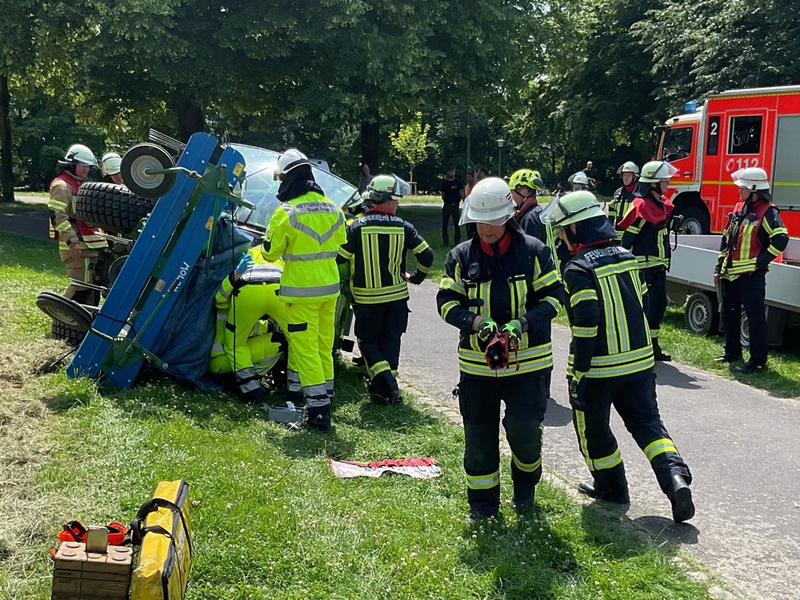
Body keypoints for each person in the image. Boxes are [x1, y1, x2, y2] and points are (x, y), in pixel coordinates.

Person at [541, 190, 695, 523]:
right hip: (640, 365)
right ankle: (675, 479)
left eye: (562, 230)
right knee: (648, 425)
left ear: (578, 229)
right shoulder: (626, 255)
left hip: (599, 369)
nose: (560, 238)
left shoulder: (577, 268)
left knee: (593, 430)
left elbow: (585, 323)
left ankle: (612, 489)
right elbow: (640, 299)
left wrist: (578, 371)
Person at [436, 177, 565, 520]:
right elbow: (446, 302)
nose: (485, 228)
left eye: (492, 220)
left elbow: (554, 298)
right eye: (479, 220)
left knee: (524, 434)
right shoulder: (461, 256)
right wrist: (476, 324)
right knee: (478, 440)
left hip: (529, 365)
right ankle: (482, 507)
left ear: (508, 216)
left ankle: (525, 488)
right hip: (478, 368)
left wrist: (522, 324)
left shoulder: (534, 251)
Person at [262, 148, 347, 432]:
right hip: (329, 291)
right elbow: (341, 242)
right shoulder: (333, 208)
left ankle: (318, 412)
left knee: (305, 349)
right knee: (324, 346)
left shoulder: (285, 212)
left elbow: (271, 253)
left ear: (287, 178)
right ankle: (327, 397)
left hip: (301, 293)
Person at [338, 174, 434, 404]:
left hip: (366, 299)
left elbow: (340, 258)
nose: (398, 203)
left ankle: (386, 386)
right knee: (391, 342)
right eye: (397, 199)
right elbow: (427, 255)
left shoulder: (356, 227)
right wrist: (416, 277)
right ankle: (387, 390)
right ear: (389, 200)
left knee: (368, 342)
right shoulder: (404, 227)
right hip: (397, 298)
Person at [715, 167, 789, 374]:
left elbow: (781, 239)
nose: (739, 192)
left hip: (751, 275)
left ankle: (757, 360)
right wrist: (718, 267)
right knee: (729, 314)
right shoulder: (740, 207)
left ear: (754, 189)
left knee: (755, 318)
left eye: (743, 188)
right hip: (731, 272)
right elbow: (726, 239)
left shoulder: (768, 211)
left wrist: (759, 263)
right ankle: (732, 352)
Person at [618, 160, 678, 362]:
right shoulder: (641, 206)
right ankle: (640, 348)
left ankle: (654, 347)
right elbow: (628, 238)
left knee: (659, 307)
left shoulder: (660, 204)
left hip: (659, 266)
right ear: (653, 183)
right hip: (644, 268)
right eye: (665, 181)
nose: (667, 184)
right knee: (646, 309)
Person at [209, 251, 288, 403]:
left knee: (277, 342)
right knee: (277, 341)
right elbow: (219, 300)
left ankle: (245, 383)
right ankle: (244, 384)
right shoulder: (230, 303)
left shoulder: (239, 294)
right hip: (220, 361)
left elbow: (220, 298)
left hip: (226, 357)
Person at [48, 144, 108, 304]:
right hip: (76, 246)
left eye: (88, 166)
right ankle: (63, 318)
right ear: (72, 164)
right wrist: (72, 242)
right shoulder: (61, 186)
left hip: (91, 245)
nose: (86, 169)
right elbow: (58, 217)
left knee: (91, 286)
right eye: (83, 165)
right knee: (78, 286)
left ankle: (86, 321)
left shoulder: (84, 185)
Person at [508, 168, 547, 243]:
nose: (511, 196)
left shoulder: (530, 219)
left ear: (524, 192)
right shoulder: (535, 212)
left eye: (512, 192)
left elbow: (531, 250)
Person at [608, 161, 640, 240]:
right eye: (624, 175)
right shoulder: (618, 193)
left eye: (628, 175)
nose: (625, 178)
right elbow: (611, 214)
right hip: (615, 238)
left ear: (635, 177)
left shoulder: (638, 194)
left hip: (631, 239)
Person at [440, 166, 465, 245]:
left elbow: (461, 193)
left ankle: (457, 240)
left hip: (455, 205)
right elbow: (443, 195)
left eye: (453, 171)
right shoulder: (444, 183)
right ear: (447, 172)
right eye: (450, 171)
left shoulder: (458, 183)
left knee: (456, 224)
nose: (452, 173)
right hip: (447, 205)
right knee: (445, 224)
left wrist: (462, 200)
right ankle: (445, 241)